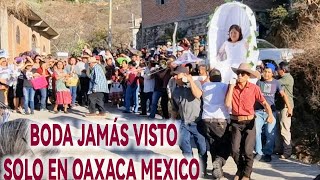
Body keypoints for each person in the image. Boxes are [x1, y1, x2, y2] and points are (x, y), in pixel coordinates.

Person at [225, 63, 273, 180]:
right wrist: (231, 87)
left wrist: (270, 114)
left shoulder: (254, 88)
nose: (239, 75)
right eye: (238, 73)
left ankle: (246, 174)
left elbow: (264, 102)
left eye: (243, 73)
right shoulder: (232, 87)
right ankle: (240, 169)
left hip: (250, 122)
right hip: (236, 121)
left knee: (248, 150)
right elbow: (227, 104)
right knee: (235, 150)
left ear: (248, 76)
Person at [171, 66, 207, 177]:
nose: (174, 77)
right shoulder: (176, 90)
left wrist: (191, 81)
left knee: (202, 147)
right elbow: (175, 109)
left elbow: (198, 95)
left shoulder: (195, 83)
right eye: (174, 75)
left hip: (197, 121)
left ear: (184, 75)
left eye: (177, 74)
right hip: (184, 122)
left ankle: (202, 167)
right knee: (183, 143)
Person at [254, 63, 293, 162]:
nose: (266, 74)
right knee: (257, 131)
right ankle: (259, 152)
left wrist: (289, 107)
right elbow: (254, 96)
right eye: (265, 71)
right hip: (258, 111)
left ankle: (268, 153)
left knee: (270, 134)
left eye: (269, 72)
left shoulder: (276, 83)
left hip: (271, 112)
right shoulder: (259, 82)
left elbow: (283, 95)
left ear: (272, 73)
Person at [201, 69, 230, 179]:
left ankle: (216, 171)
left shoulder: (205, 86)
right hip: (220, 120)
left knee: (213, 145)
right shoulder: (225, 86)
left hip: (207, 120)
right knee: (226, 145)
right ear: (221, 77)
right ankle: (219, 162)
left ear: (210, 77)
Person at [276, 61, 294, 159]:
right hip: (283, 106)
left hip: (286, 107)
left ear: (283, 70)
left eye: (278, 69)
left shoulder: (286, 78)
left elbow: (274, 82)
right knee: (281, 128)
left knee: (285, 128)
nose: (277, 71)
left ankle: (287, 151)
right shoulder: (283, 78)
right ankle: (281, 149)